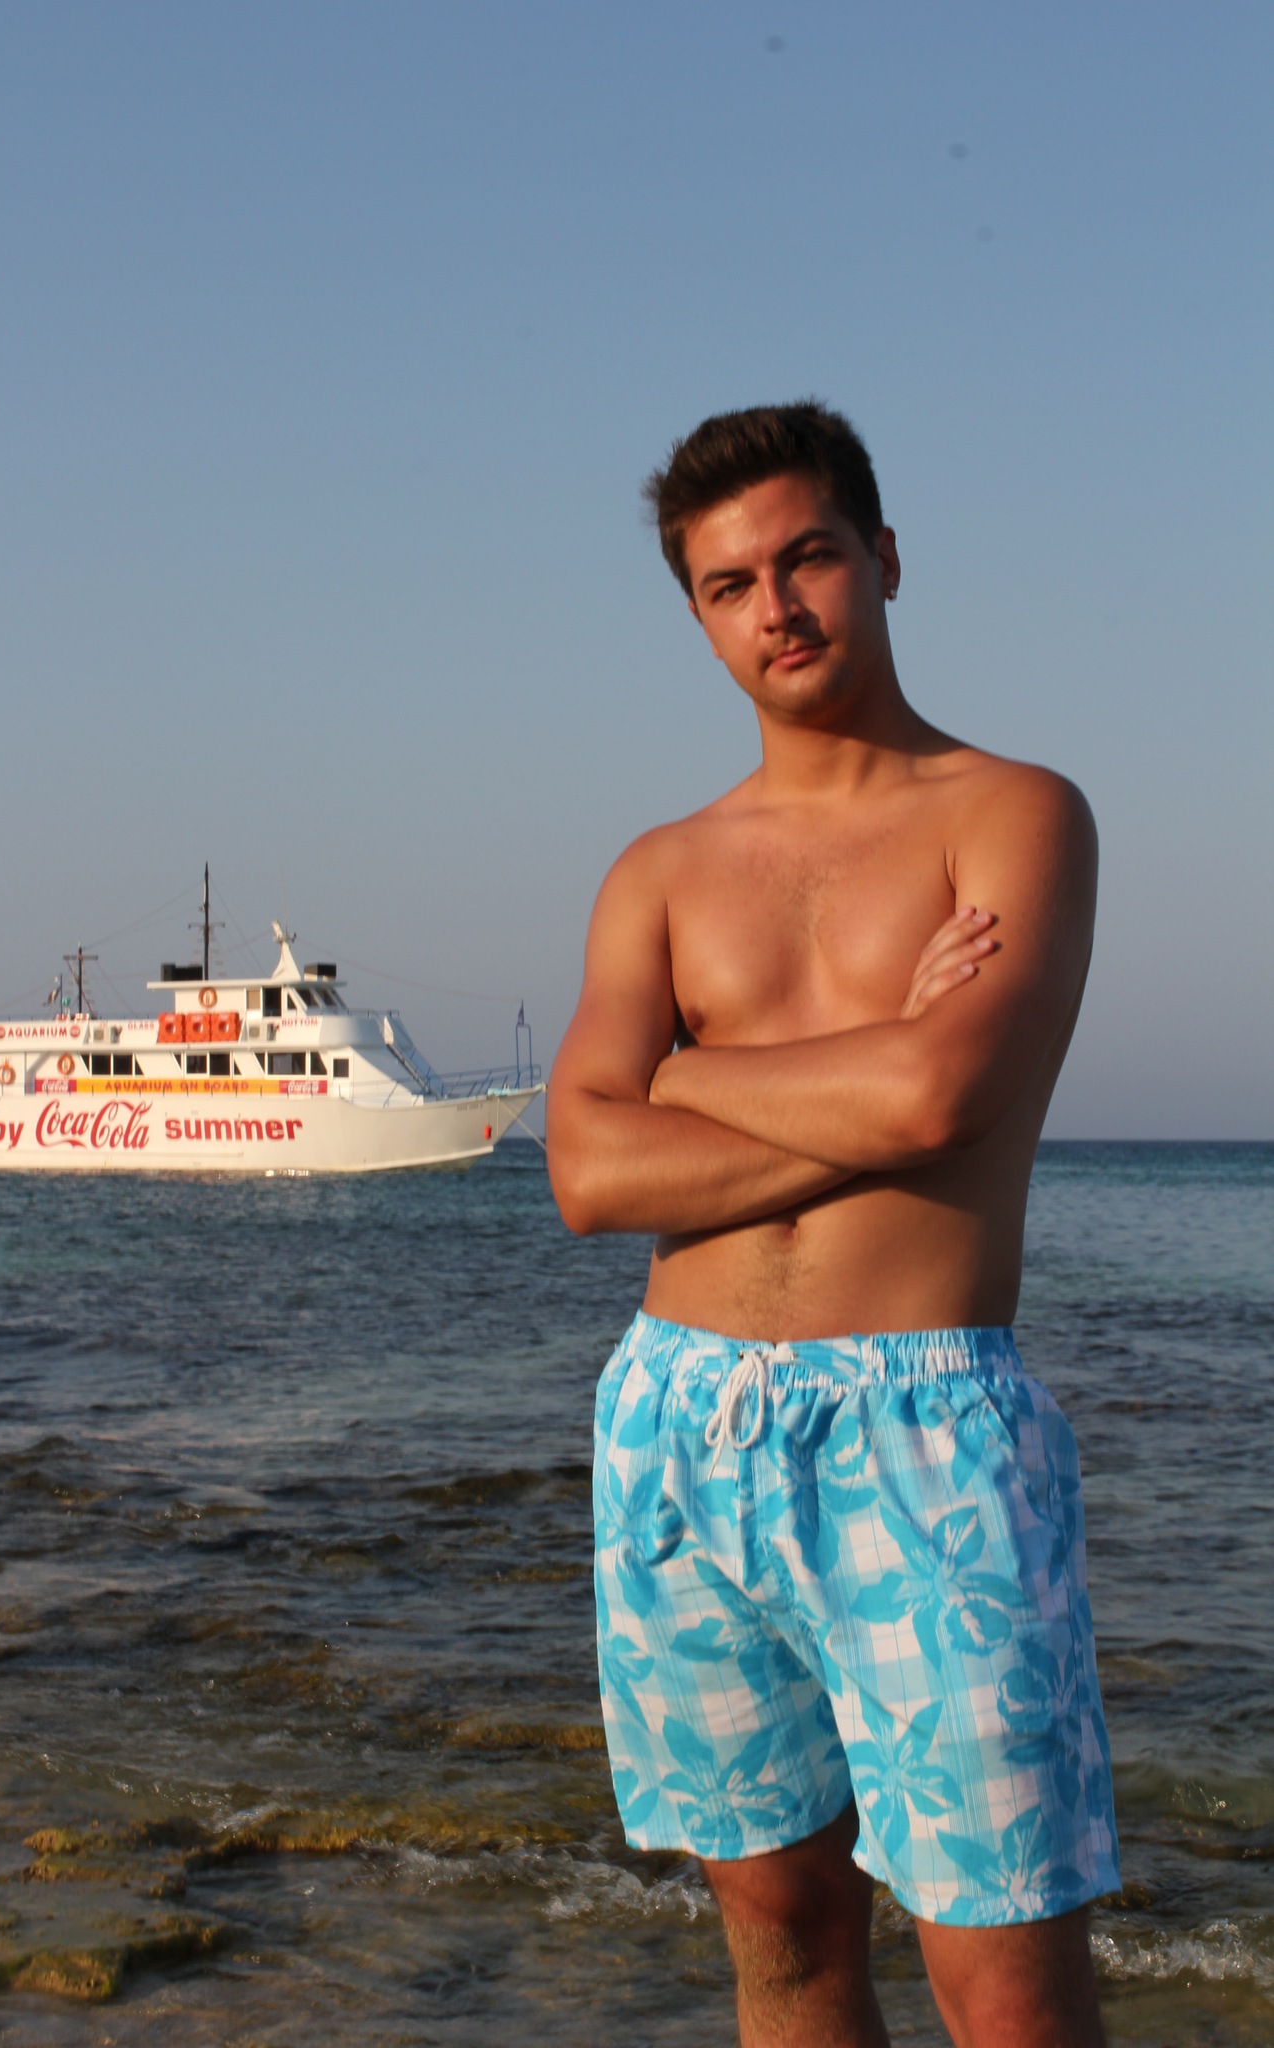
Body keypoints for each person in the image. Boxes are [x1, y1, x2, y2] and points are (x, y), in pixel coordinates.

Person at [546, 403, 1119, 2048]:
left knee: (1000, 1973)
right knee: (782, 1937)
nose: (775, 607)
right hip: (678, 1422)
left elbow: (940, 1097)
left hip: (923, 1429)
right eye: (728, 585)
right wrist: (861, 1069)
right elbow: (587, 1171)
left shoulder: (1008, 812)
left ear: (882, 558)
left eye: (805, 558)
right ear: (697, 617)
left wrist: (685, 1076)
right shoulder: (660, 870)